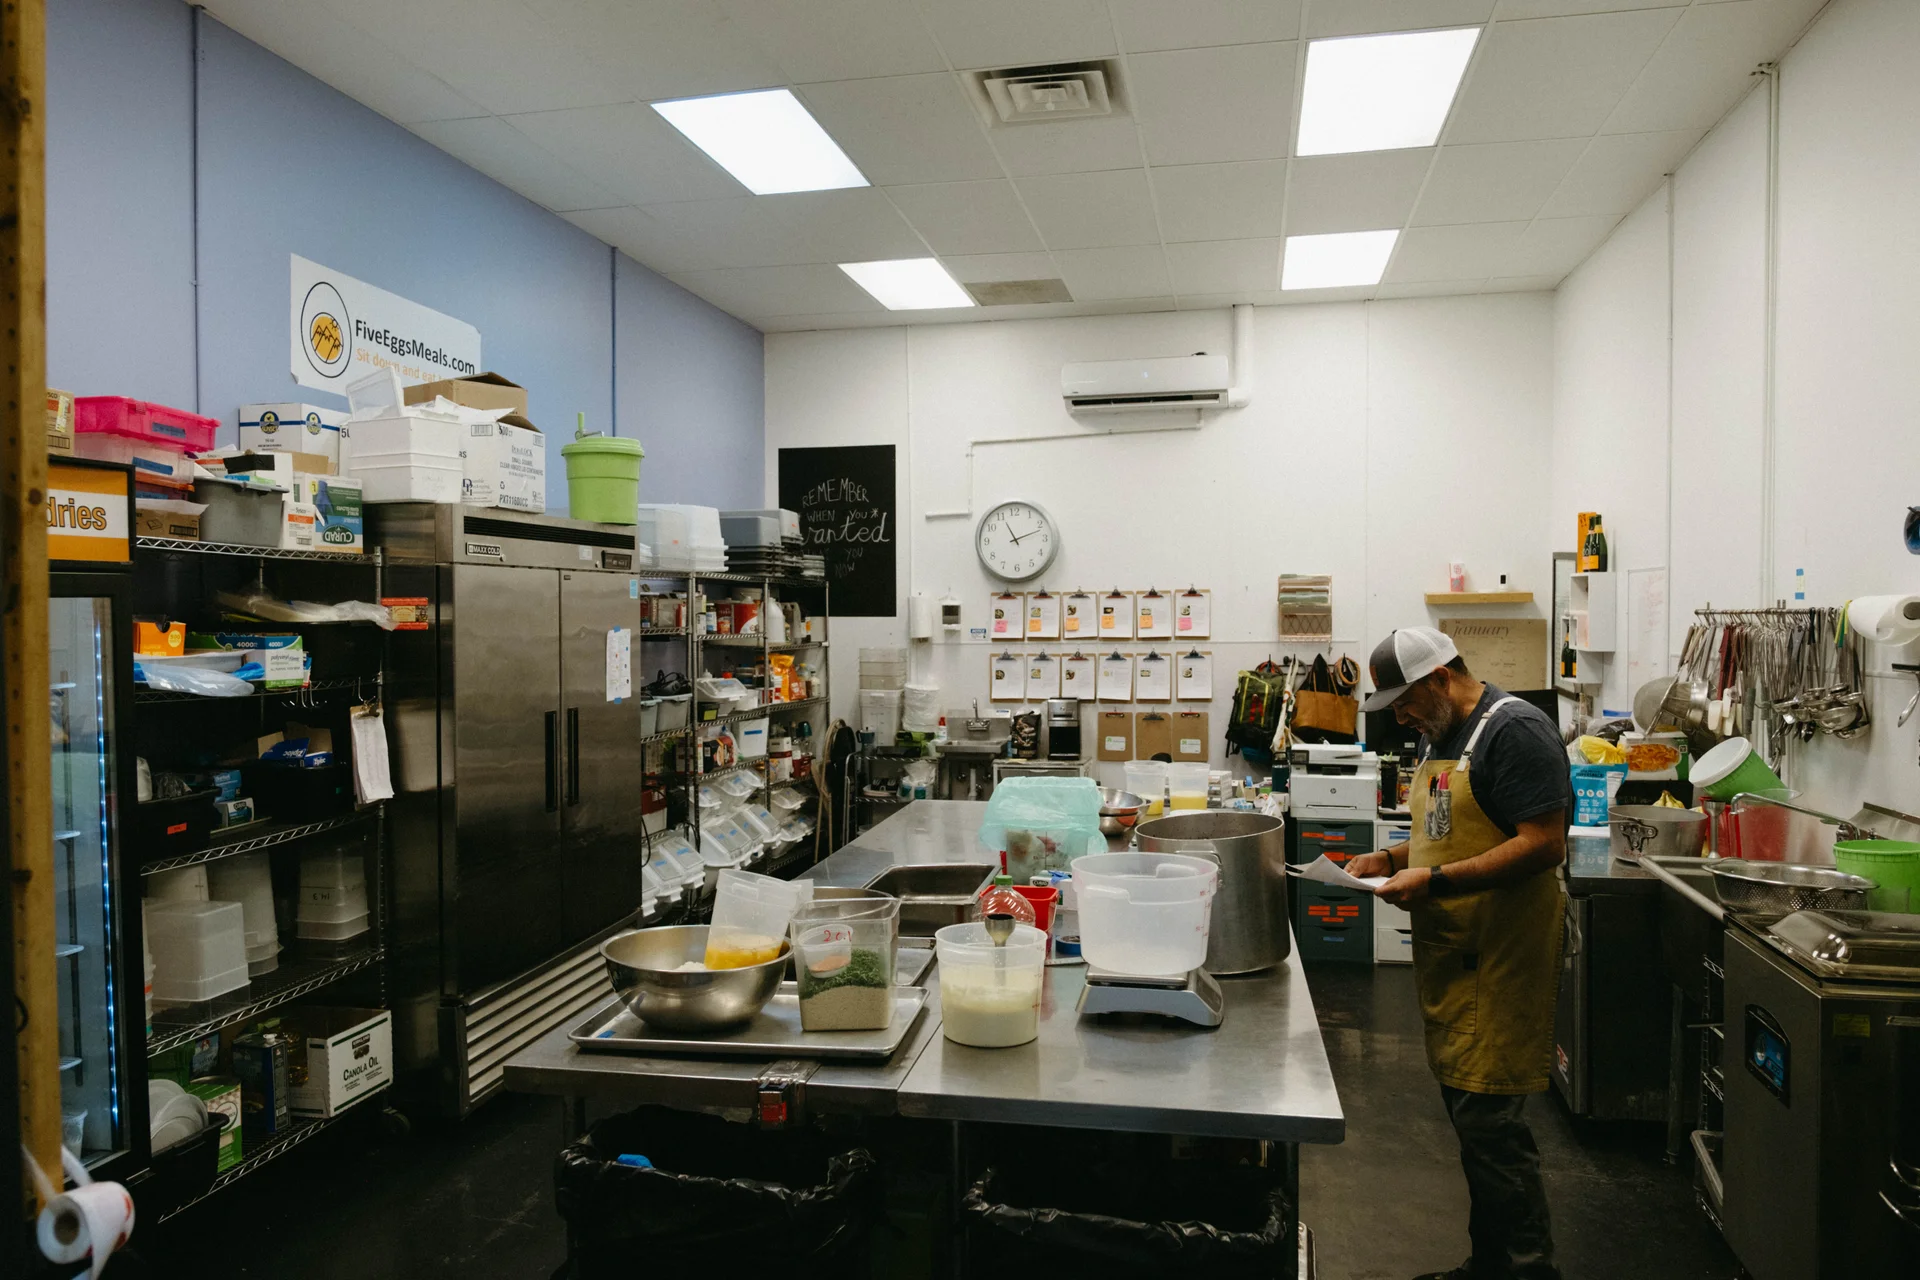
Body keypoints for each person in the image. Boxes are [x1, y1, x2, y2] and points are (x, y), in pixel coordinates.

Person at [1345, 627, 1571, 1280]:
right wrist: (1388, 858)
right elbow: (1442, 835)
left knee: (1494, 1132)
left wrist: (1435, 882)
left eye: (1405, 701)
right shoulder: (1440, 736)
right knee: (1473, 1128)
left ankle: (1528, 1272)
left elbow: (1543, 843)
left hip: (1501, 957)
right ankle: (1491, 1266)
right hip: (1455, 956)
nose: (1400, 716)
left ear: (1441, 678)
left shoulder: (1515, 732)